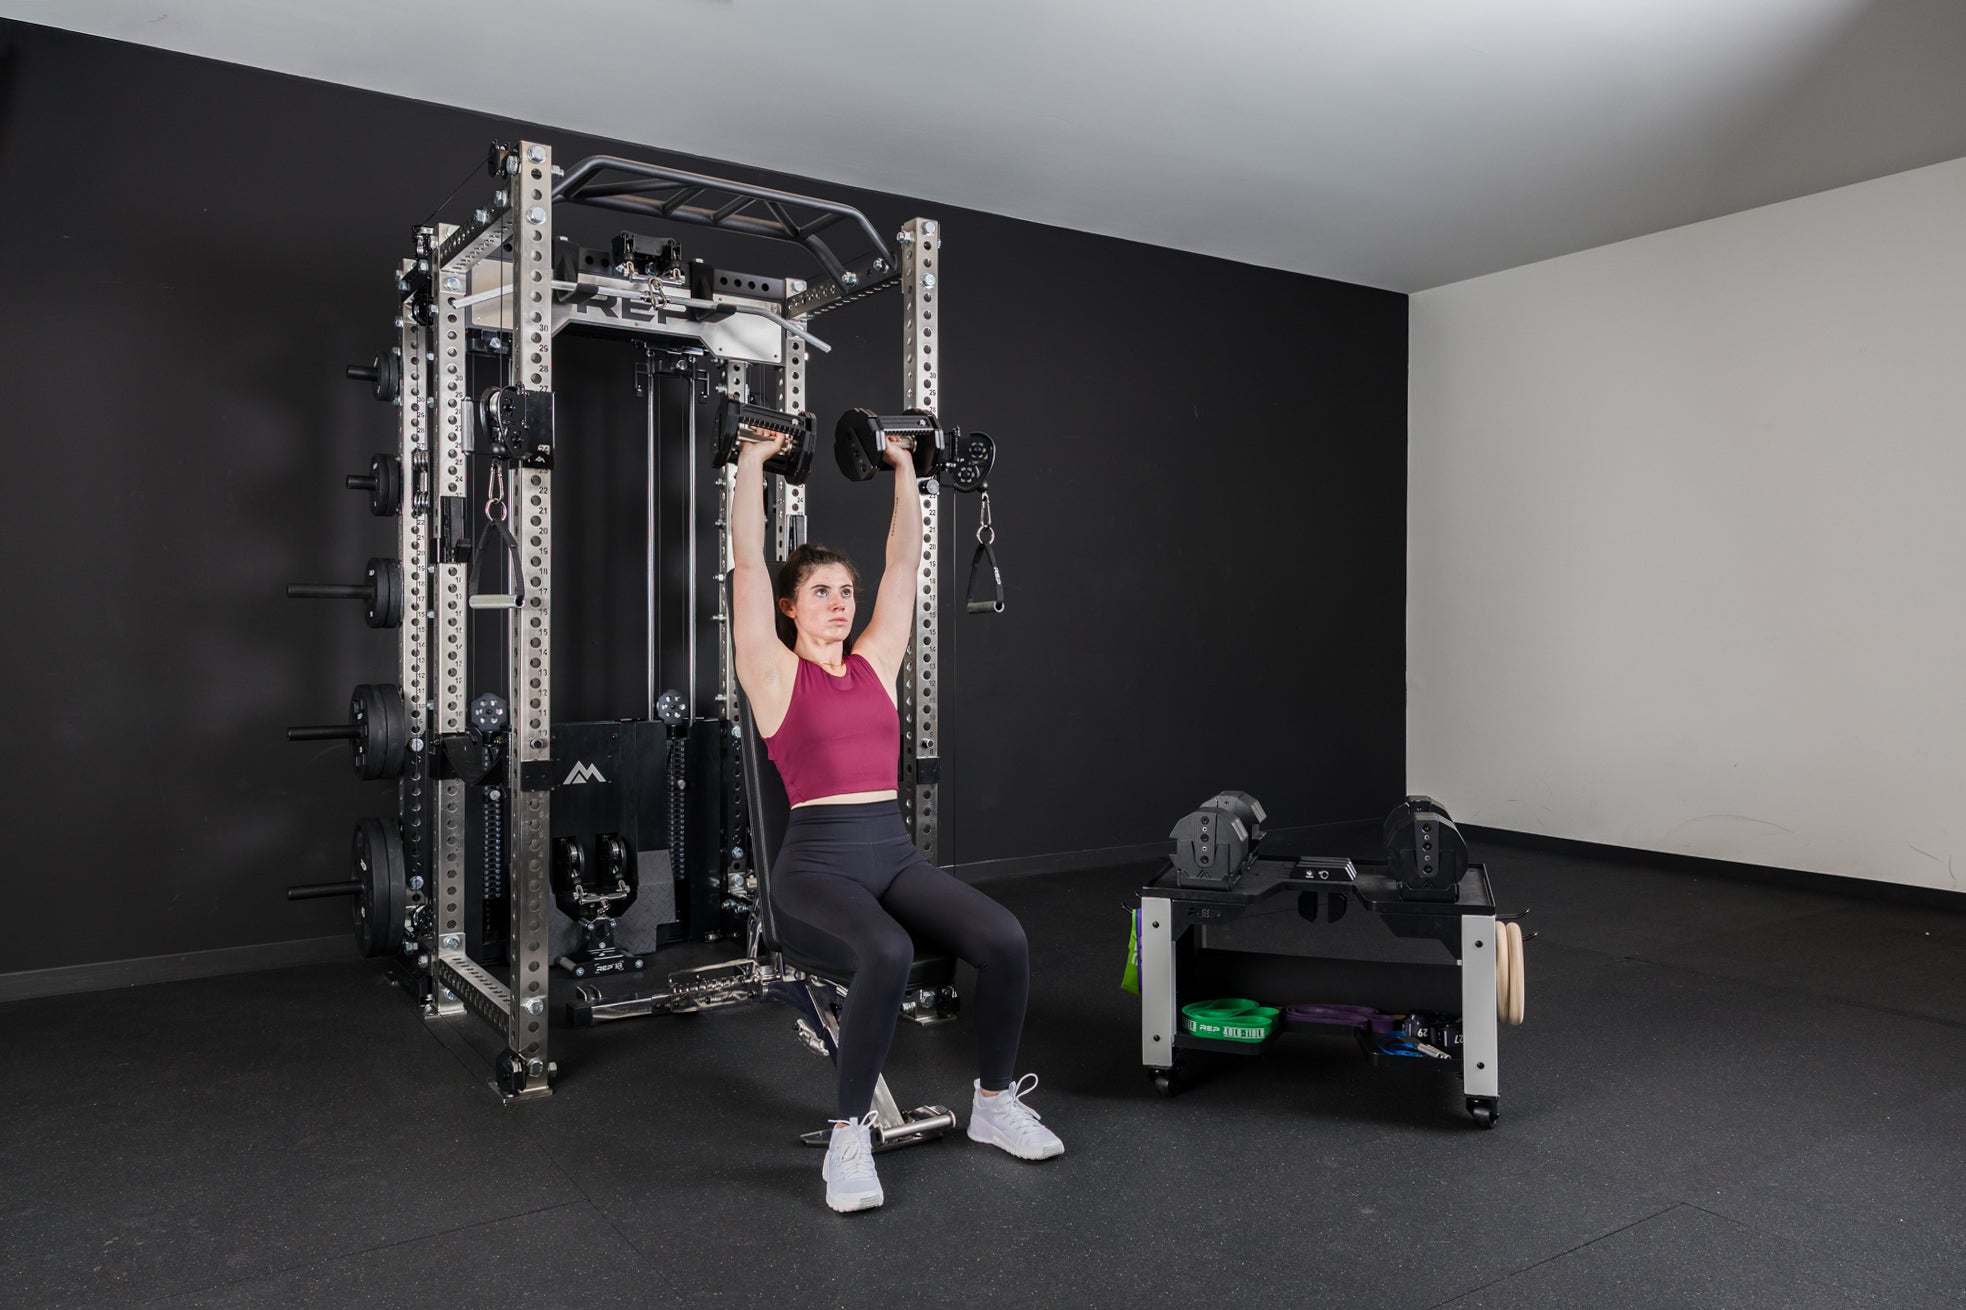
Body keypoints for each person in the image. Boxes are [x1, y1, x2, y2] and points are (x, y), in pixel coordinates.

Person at [729, 425, 1063, 1213]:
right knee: (884, 947)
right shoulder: (772, 672)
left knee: (1004, 938)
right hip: (814, 866)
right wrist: (748, 462)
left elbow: (905, 562)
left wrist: (906, 466)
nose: (840, 603)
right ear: (789, 607)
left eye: (845, 591)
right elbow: (746, 562)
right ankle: (849, 1134)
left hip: (892, 854)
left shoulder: (876, 661)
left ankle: (992, 1104)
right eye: (821, 592)